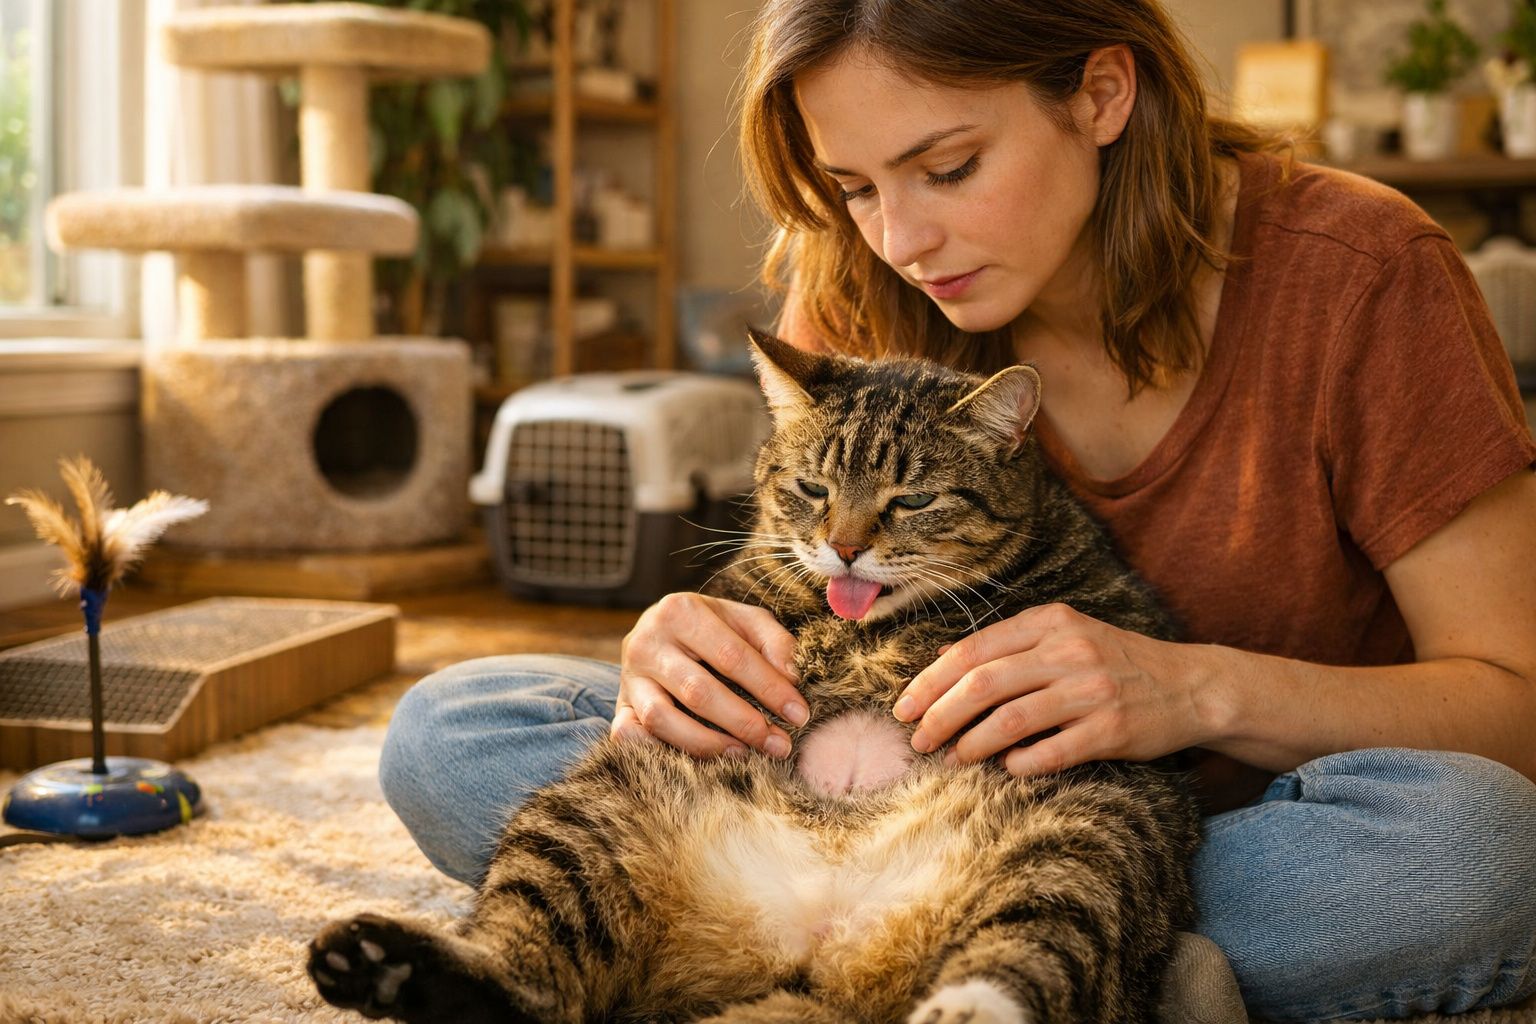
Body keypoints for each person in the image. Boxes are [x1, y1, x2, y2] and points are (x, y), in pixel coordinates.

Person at [380, 1, 1536, 1019]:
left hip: (1184, 825)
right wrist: (674, 650)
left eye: (947, 168)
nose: (900, 237)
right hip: (829, 800)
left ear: (1100, 92)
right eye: (855, 186)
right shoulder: (860, 263)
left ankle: (1002, 943)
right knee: (450, 732)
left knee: (1482, 848)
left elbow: (1518, 708)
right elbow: (807, 559)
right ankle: (1069, 972)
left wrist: (1193, 688)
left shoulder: (1365, 273)